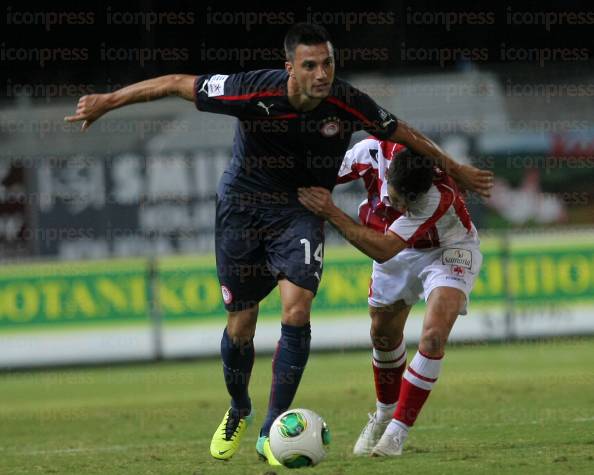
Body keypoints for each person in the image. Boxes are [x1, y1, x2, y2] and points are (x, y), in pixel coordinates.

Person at [65, 23, 492, 465]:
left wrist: (455, 169)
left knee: (297, 308)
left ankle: (272, 428)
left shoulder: (346, 102)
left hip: (299, 210)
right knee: (240, 326)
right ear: (290, 68)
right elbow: (177, 83)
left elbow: (401, 131)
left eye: (328, 63)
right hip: (243, 208)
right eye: (311, 65)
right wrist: (106, 101)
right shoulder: (251, 91)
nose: (322, 73)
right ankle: (239, 409)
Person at [298, 140, 483, 457]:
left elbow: (382, 249)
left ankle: (397, 432)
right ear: (389, 179)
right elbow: (316, 175)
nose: (402, 208)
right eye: (398, 200)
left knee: (434, 337)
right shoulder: (369, 154)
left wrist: (330, 211)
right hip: (397, 253)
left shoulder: (437, 194)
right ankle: (384, 414)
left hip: (448, 249)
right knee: (383, 334)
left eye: (411, 204)